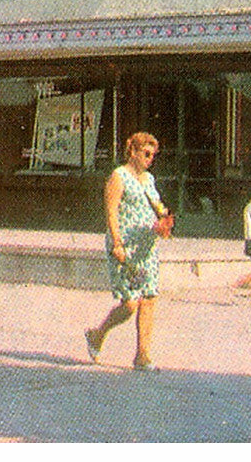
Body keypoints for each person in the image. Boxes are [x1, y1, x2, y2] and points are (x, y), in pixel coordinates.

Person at [84, 131, 173, 371]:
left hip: (147, 246)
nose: (150, 158)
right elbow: (111, 212)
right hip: (125, 245)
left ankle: (142, 355)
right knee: (130, 303)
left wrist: (163, 218)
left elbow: (157, 205)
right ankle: (98, 334)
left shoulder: (149, 179)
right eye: (146, 153)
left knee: (149, 298)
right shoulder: (118, 176)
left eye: (153, 155)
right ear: (132, 151)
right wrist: (116, 243)